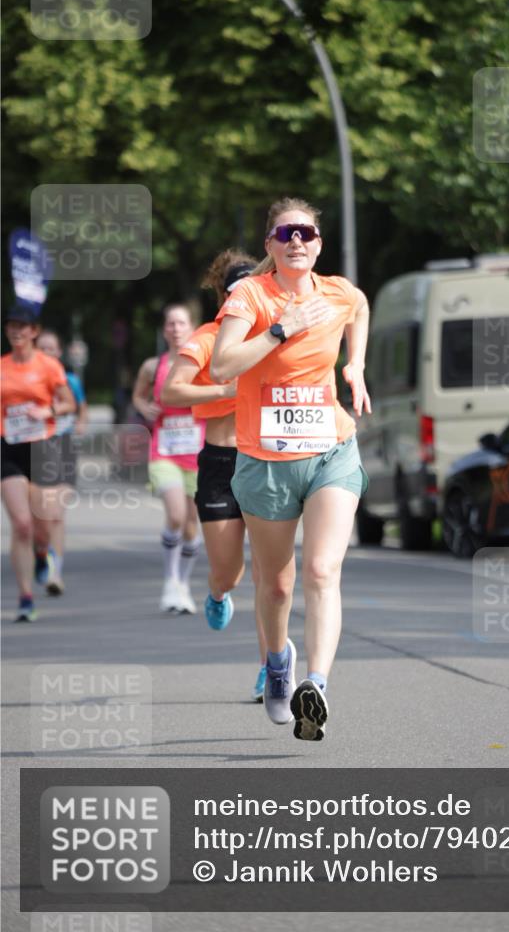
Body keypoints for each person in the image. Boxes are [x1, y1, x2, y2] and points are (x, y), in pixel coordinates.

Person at [211, 198, 371, 741]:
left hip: (330, 452)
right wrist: (281, 329)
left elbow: (362, 306)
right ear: (271, 245)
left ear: (319, 243)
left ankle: (317, 687)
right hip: (266, 464)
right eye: (286, 233)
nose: (297, 240)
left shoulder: (338, 292)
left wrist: (357, 364)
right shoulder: (249, 295)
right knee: (276, 586)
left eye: (306, 232)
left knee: (323, 571)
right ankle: (279, 665)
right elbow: (221, 366)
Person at [161, 249, 275, 702]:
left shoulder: (274, 336)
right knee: (229, 571)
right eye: (237, 292)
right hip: (220, 462)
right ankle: (215, 591)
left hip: (267, 460)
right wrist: (227, 386)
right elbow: (172, 389)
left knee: (271, 576)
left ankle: (271, 668)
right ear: (225, 296)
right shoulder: (209, 337)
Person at [1, 305, 76, 622]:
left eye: (22, 326)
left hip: (42, 447)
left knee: (45, 525)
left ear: (34, 331)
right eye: (11, 326)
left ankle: (45, 555)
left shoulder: (48, 366)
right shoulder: (2, 367)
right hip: (8, 448)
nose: (16, 331)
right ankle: (25, 597)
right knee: (21, 525)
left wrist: (47, 412)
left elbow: (69, 403)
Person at [132, 305, 205, 615]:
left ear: (192, 328)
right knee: (175, 515)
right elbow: (138, 395)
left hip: (198, 452)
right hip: (163, 451)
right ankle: (169, 581)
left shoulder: (204, 363)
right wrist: (143, 407)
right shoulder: (153, 366)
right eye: (171, 324)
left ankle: (183, 585)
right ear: (165, 330)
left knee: (191, 525)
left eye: (181, 323)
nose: (176, 328)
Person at [34, 329, 89, 594]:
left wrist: (80, 422)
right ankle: (41, 553)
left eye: (51, 348)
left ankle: (56, 572)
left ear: (58, 352)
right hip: (37, 447)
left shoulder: (70, 380)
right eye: (41, 348)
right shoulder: (29, 381)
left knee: (56, 514)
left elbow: (81, 406)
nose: (46, 353)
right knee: (41, 516)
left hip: (64, 446)